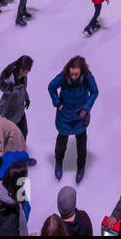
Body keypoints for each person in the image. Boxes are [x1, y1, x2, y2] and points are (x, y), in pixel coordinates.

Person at [48, 55, 98, 183]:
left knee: (81, 144)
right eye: (72, 74)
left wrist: (86, 108)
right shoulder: (64, 76)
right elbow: (51, 87)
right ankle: (58, 163)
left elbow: (94, 92)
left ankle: (81, 167)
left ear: (81, 71)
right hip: (64, 115)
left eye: (76, 74)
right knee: (61, 142)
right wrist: (57, 103)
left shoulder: (87, 77)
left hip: (80, 116)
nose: (73, 77)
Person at [0, 55, 34, 143]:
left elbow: (23, 89)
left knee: (24, 132)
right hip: (10, 116)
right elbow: (2, 103)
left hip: (20, 112)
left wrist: (26, 98)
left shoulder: (23, 77)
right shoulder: (11, 85)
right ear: (22, 70)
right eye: (28, 70)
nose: (29, 72)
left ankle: (20, 151)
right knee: (7, 138)